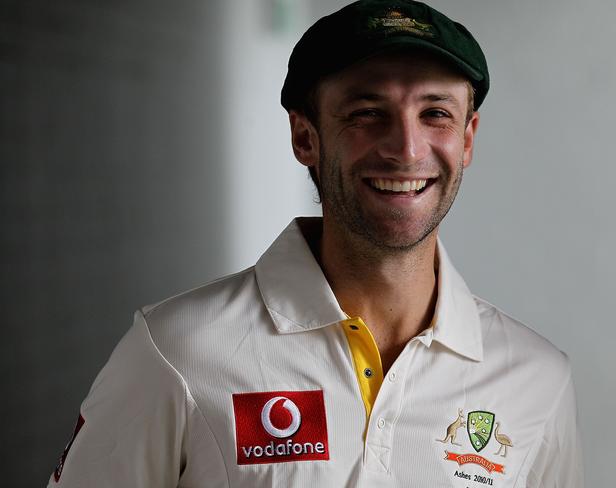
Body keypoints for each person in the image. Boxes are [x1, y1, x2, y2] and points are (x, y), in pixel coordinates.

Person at [48, 1, 583, 486]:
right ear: (306, 137)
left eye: (435, 113)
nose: (406, 148)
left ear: (466, 139)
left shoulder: (536, 380)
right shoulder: (176, 351)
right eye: (366, 113)